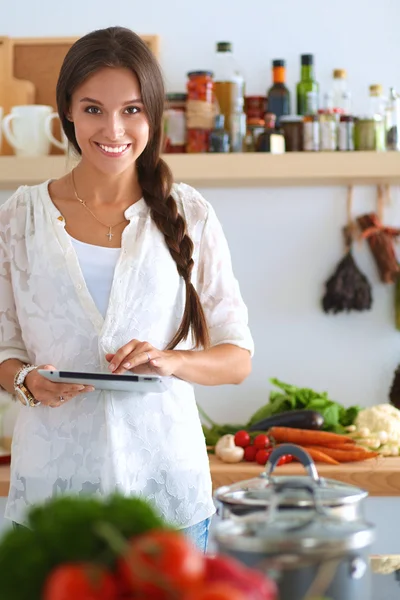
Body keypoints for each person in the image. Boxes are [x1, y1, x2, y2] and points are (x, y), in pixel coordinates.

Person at [0, 26, 253, 551]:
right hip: (52, 502)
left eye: (132, 110)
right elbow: (2, 346)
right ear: (66, 110)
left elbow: (237, 357)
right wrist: (25, 379)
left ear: (153, 115)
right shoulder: (18, 218)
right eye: (93, 109)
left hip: (168, 503)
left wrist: (171, 361)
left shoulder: (191, 214)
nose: (113, 128)